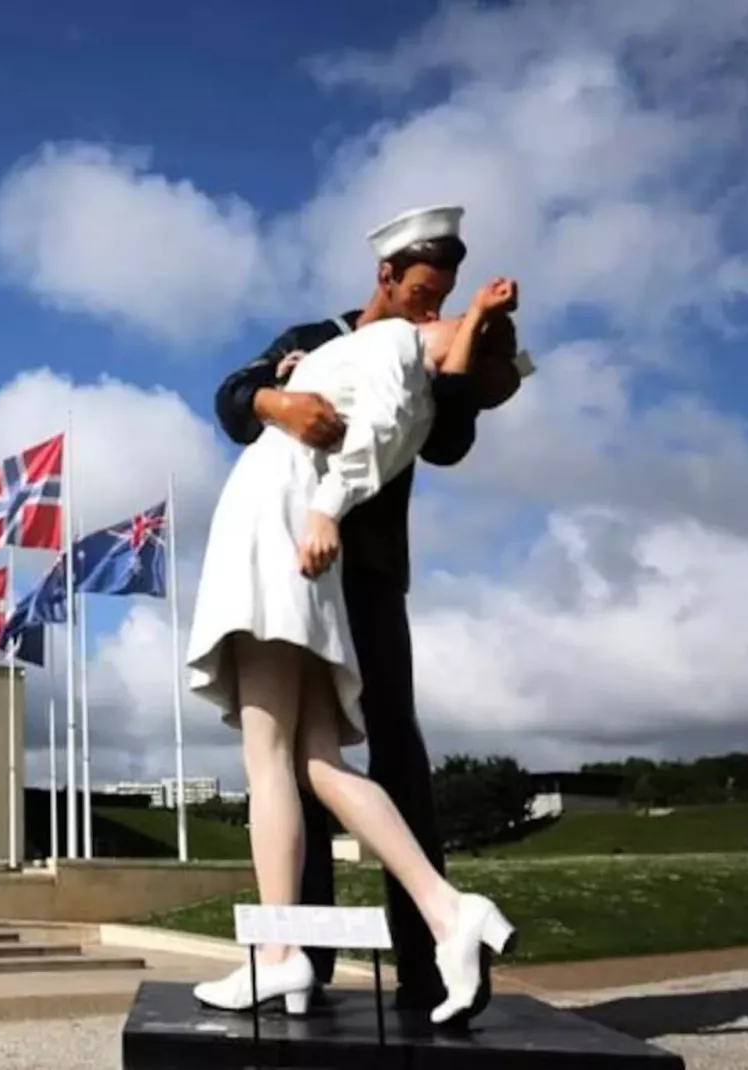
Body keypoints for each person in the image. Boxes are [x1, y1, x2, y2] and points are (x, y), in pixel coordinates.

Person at [208, 205, 524, 1018]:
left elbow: (441, 436)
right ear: (386, 276)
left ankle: (410, 961)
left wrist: (468, 350)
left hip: (356, 567)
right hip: (311, 547)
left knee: (374, 755)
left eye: (443, 297)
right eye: (423, 291)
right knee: (311, 764)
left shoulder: (412, 356)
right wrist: (281, 405)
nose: (431, 307)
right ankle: (305, 954)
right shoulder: (322, 334)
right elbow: (235, 393)